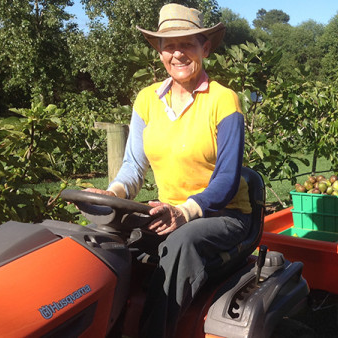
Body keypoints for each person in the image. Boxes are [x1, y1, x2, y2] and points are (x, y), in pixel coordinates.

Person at [86, 4, 251, 337]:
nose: (178, 53)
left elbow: (227, 178)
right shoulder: (147, 100)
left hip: (223, 213)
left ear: (204, 48)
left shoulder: (224, 100)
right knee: (105, 239)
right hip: (169, 212)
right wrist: (113, 194)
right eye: (169, 45)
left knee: (182, 243)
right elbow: (133, 165)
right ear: (159, 51)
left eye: (187, 44)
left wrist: (186, 212)